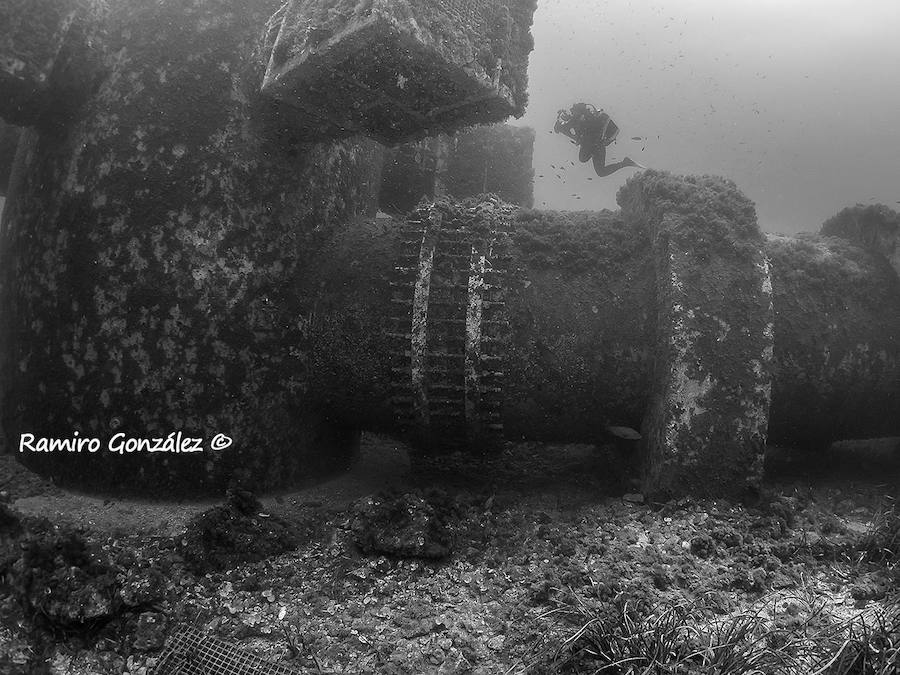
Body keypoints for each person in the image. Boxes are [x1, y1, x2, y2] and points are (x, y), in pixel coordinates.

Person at [554, 102, 644, 177]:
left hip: (594, 145)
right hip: (598, 145)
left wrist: (561, 123)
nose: (572, 114)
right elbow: (567, 128)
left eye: (573, 112)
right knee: (600, 172)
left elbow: (562, 128)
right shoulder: (588, 118)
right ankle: (625, 163)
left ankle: (625, 163)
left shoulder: (577, 119)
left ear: (577, 111)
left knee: (584, 160)